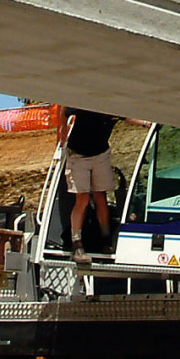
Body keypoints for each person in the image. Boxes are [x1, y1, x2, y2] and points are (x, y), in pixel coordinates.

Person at [58, 106, 119, 263]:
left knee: (100, 196)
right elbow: (64, 112)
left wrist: (148, 123)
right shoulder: (87, 104)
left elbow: (130, 117)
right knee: (83, 199)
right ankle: (77, 243)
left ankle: (106, 240)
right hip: (78, 155)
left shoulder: (115, 106)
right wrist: (62, 132)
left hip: (101, 154)